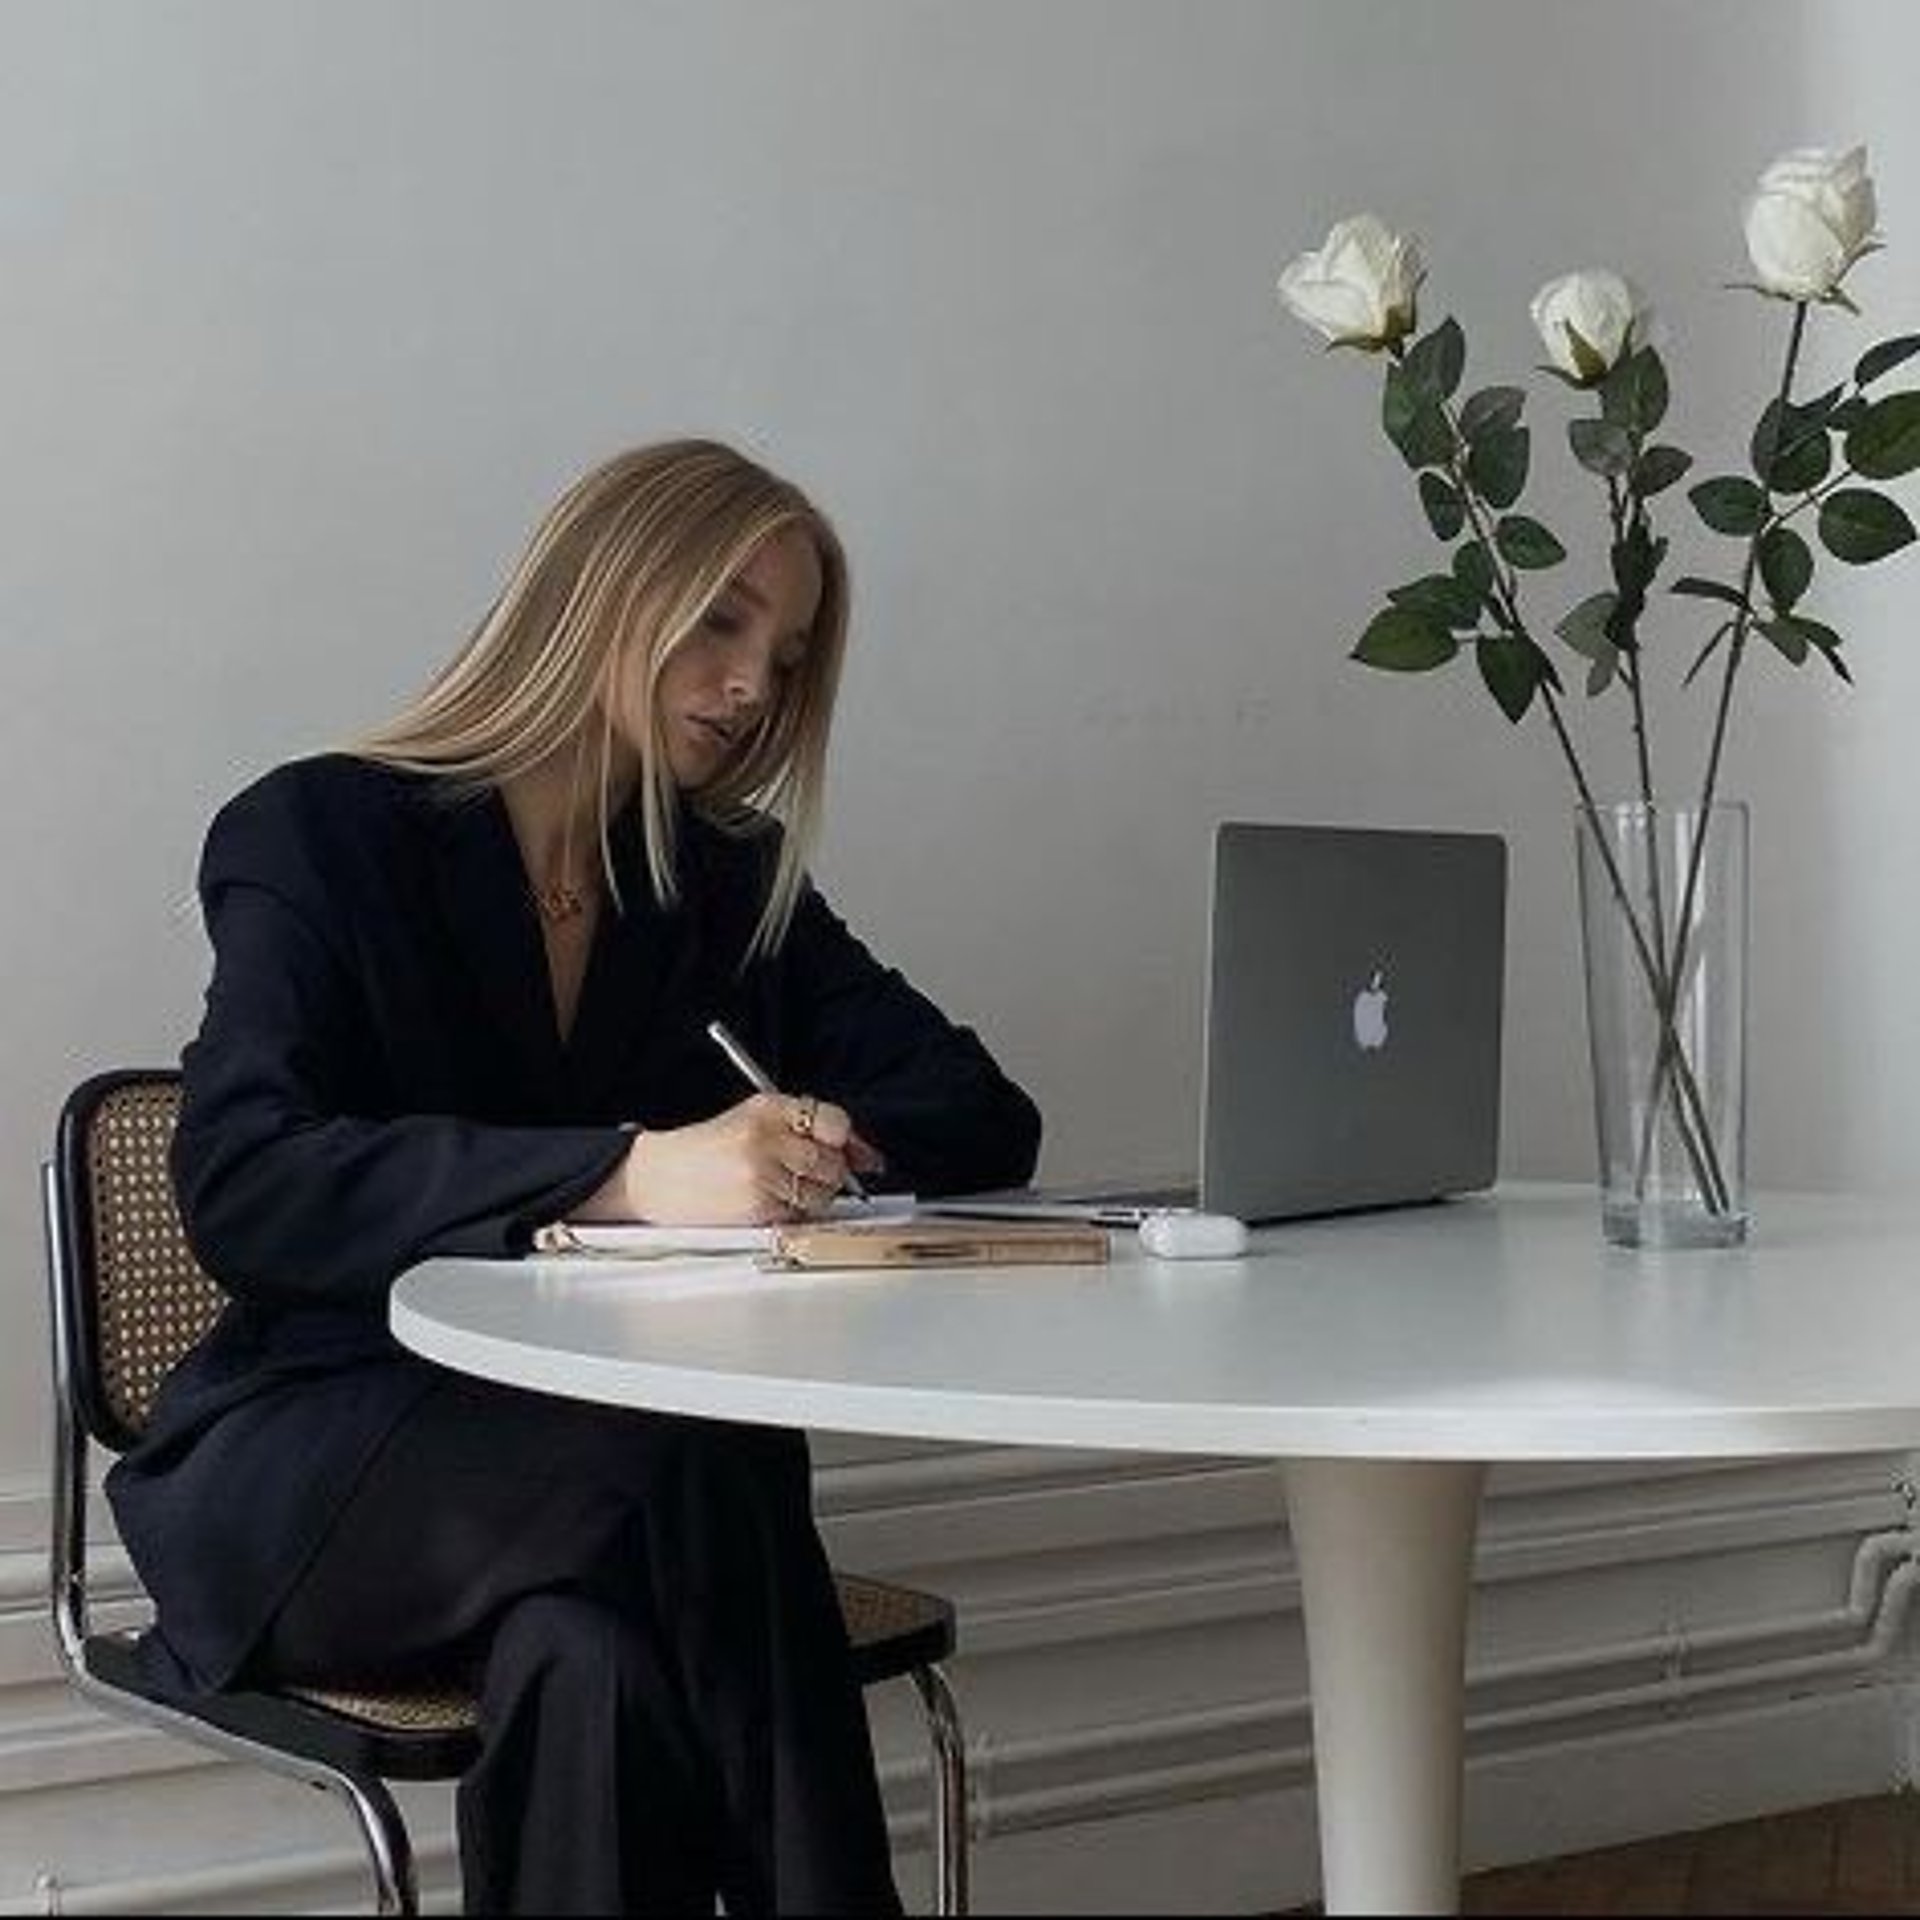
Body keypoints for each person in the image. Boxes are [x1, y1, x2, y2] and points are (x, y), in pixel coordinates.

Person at [106, 439, 1043, 1915]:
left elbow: (979, 1114)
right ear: (597, 594)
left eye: (788, 657)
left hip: (603, 1496)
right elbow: (248, 1180)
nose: (753, 685)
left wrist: (798, 1144)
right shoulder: (322, 832)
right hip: (321, 1475)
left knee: (585, 1658)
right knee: (696, 1453)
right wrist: (633, 1174)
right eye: (721, 620)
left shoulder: (719, 881)